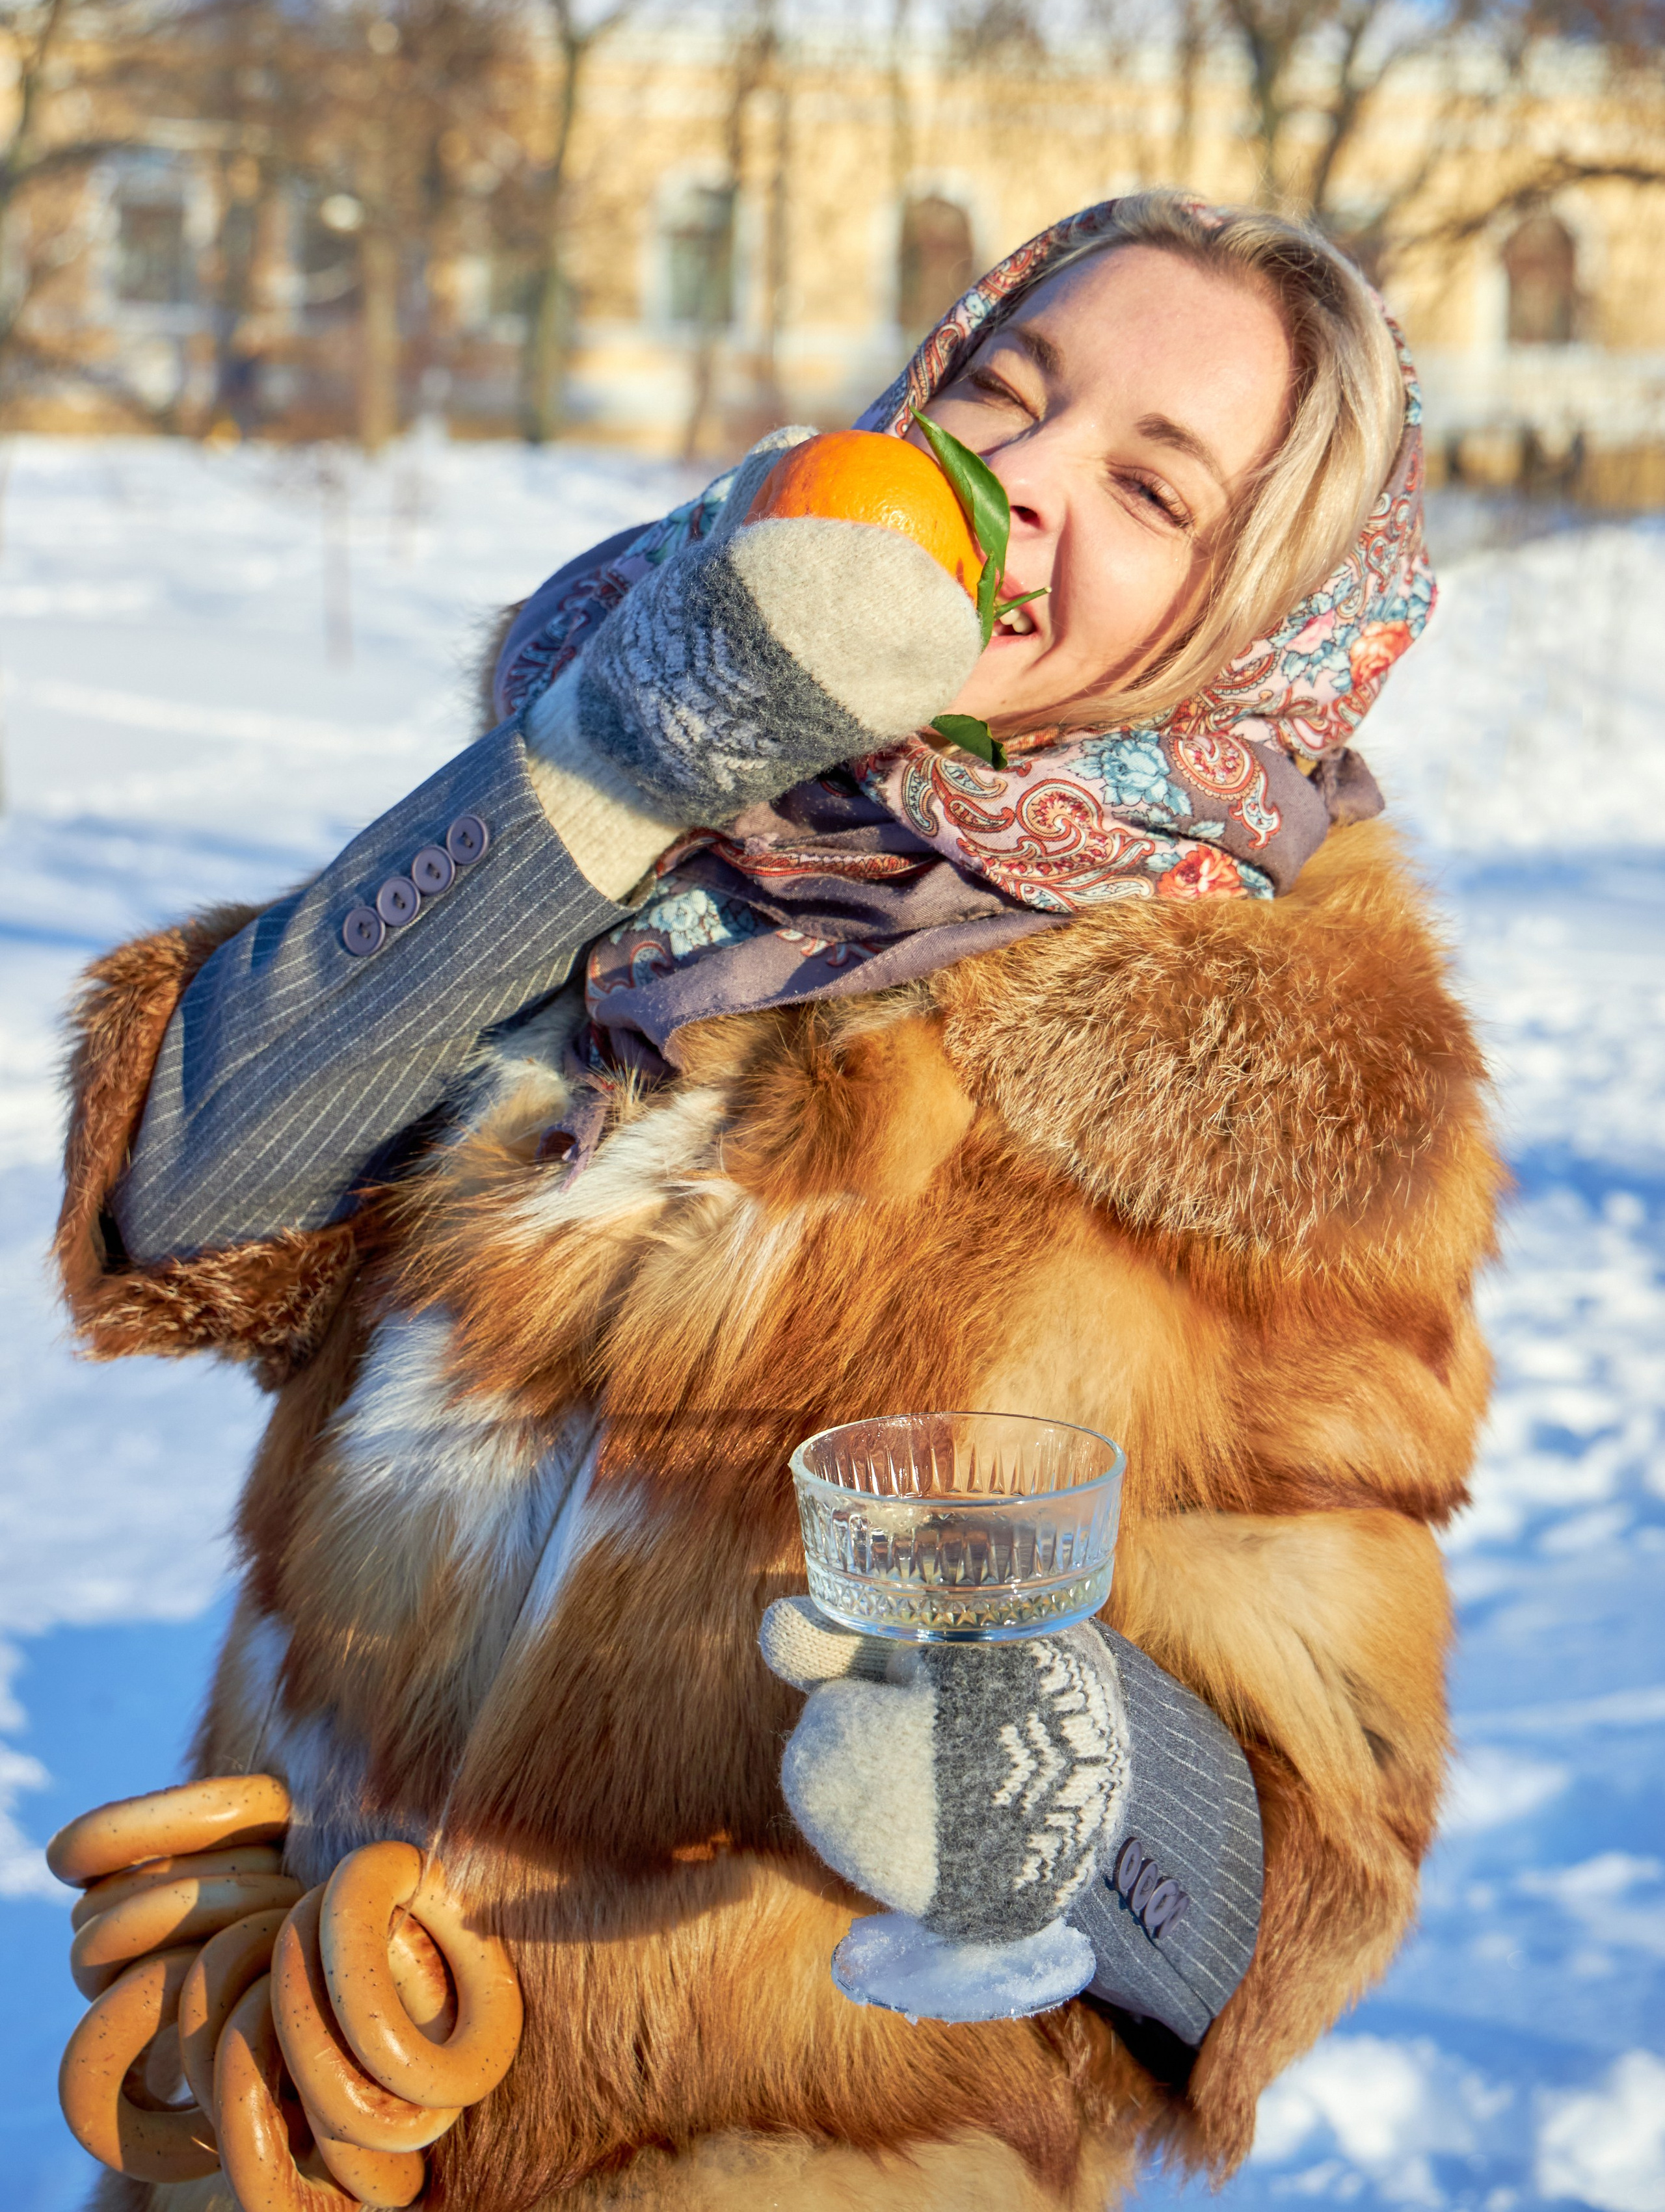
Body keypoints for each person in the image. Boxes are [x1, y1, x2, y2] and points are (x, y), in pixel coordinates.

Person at [58, 191, 1498, 2212]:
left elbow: (1315, 1864)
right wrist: (636, 745)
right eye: (1004, 389)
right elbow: (190, 1203)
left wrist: (1059, 1767)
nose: (1015, 482)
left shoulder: (1277, 1107)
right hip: (300, 2107)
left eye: (1154, 490)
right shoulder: (648, 813)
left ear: (1252, 619)